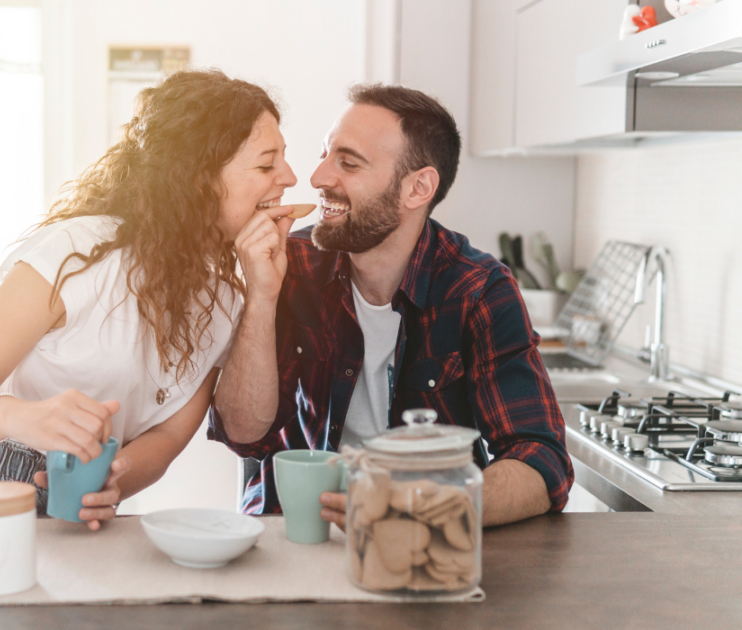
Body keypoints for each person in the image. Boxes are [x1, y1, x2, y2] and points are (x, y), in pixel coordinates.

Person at [0, 69, 298, 529]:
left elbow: (170, 436)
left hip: (76, 509)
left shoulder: (223, 302)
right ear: (199, 178)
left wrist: (113, 483)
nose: (290, 177)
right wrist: (25, 418)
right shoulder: (77, 251)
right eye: (266, 165)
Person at [209, 83, 574, 528]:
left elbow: (541, 462)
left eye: (348, 163)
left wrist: (425, 507)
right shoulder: (290, 267)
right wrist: (261, 296)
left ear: (418, 187)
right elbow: (244, 433)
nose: (319, 177)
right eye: (325, 155)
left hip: (421, 546)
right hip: (293, 531)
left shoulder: (477, 289)